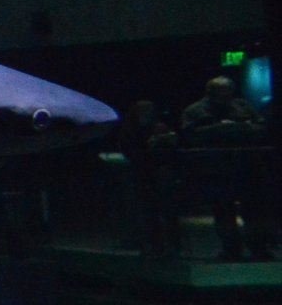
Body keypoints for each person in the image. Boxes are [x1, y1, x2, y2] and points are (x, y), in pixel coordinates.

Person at [179, 76, 272, 261]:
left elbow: (261, 128)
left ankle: (258, 249)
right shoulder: (195, 111)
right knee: (223, 213)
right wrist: (218, 130)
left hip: (247, 168)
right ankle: (231, 250)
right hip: (216, 170)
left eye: (227, 92)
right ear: (209, 92)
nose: (223, 96)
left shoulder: (243, 107)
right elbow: (190, 136)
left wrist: (239, 129)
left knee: (254, 212)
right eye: (218, 92)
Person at [115, 100, 180, 257]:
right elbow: (129, 151)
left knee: (167, 211)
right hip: (141, 174)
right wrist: (147, 146)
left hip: (161, 174)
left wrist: (169, 142)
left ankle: (172, 244)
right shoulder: (130, 130)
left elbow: (172, 152)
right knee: (147, 212)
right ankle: (152, 244)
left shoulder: (160, 127)